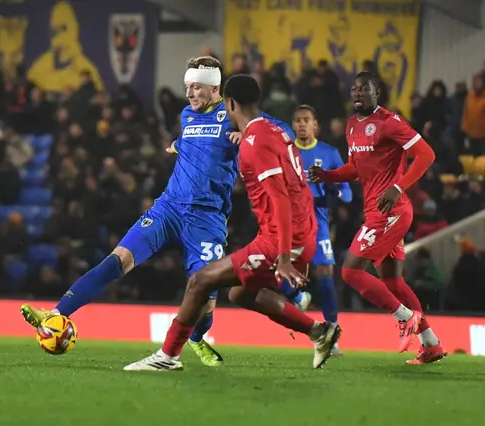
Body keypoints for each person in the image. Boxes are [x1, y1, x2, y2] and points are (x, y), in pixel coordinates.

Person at [20, 56, 242, 367]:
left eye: (196, 87)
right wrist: (179, 145)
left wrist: (247, 138)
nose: (190, 93)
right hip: (169, 207)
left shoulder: (233, 115)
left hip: (207, 217)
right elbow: (196, 142)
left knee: (205, 298)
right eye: (187, 87)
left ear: (215, 88)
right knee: (118, 258)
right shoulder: (187, 115)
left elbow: (274, 131)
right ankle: (57, 312)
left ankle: (195, 337)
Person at [124, 74, 341, 372]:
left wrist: (284, 256)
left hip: (280, 238)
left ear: (230, 103)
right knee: (240, 292)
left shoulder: (255, 142)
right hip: (301, 230)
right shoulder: (273, 131)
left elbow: (279, 198)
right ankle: (320, 332)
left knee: (200, 280)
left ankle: (168, 355)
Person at [309, 72, 446, 364]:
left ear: (377, 92)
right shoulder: (352, 125)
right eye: (354, 89)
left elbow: (426, 155)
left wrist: (398, 187)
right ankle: (431, 343)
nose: (357, 93)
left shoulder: (390, 122)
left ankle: (405, 317)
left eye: (364, 89)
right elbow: (356, 168)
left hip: (391, 212)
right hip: (375, 211)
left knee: (350, 271)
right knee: (393, 282)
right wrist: (328, 176)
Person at [278, 105, 352, 356]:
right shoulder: (286, 152)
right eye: (297, 121)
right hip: (287, 220)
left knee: (325, 271)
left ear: (315, 125)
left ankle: (332, 333)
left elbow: (347, 193)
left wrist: (334, 187)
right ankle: (297, 296)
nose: (301, 125)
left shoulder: (329, 154)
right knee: (275, 269)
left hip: (316, 220)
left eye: (306, 120)